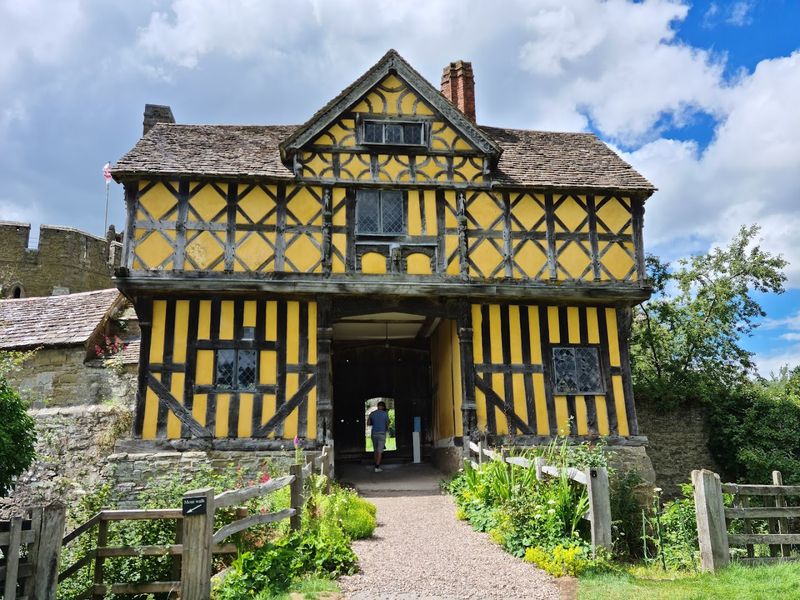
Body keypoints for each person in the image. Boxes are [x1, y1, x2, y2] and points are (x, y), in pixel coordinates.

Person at [368, 401, 390, 472]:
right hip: (382, 433)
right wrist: (386, 429)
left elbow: (368, 423)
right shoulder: (385, 414)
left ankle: (375, 464)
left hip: (374, 433)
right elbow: (387, 423)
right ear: (383, 407)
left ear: (378, 406)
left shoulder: (372, 413)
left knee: (375, 450)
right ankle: (377, 467)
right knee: (380, 451)